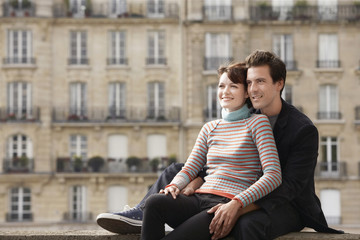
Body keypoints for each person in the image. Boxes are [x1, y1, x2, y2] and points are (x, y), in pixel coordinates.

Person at [97, 50, 344, 239]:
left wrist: (237, 205)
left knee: (247, 224)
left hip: (285, 203)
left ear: (279, 84)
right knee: (175, 171)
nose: (252, 88)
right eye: (248, 82)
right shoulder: (224, 123)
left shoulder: (300, 129)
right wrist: (191, 182)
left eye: (259, 82)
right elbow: (223, 162)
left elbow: (286, 184)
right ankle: (141, 213)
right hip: (229, 190)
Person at [140, 62, 282, 240]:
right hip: (199, 198)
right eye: (221, 86)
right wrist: (174, 186)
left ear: (246, 92)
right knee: (154, 202)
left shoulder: (258, 123)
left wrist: (238, 203)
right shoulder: (209, 128)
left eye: (233, 86)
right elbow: (190, 167)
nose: (225, 91)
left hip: (224, 204)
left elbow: (273, 175)